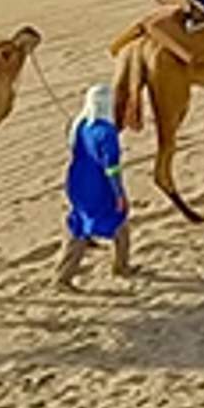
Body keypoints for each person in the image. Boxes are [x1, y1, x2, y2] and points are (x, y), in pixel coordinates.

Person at [57, 81, 133, 287]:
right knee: (119, 223)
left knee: (79, 226)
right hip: (99, 186)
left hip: (78, 182)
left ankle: (63, 274)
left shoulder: (80, 125)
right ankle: (121, 266)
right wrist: (119, 193)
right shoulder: (107, 133)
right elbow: (112, 167)